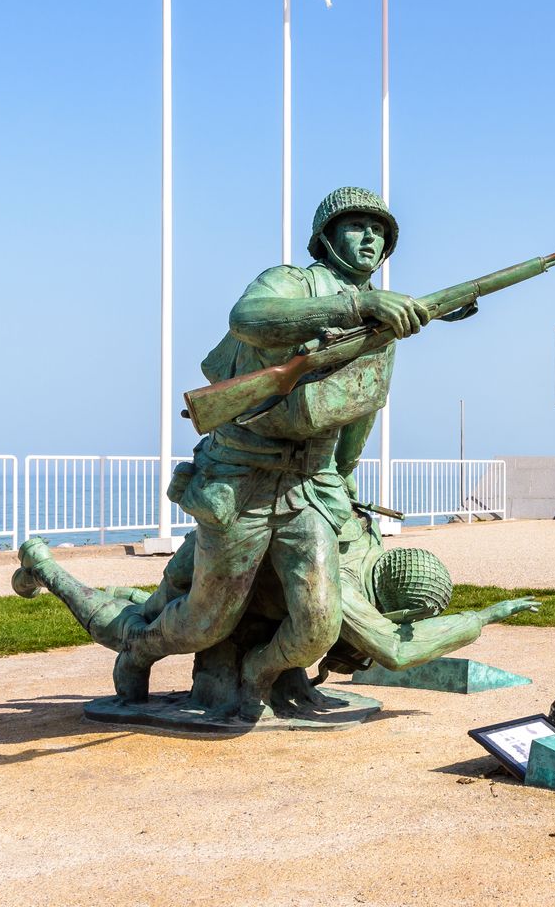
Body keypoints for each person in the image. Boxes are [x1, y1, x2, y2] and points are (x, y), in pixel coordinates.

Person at [28, 187, 442, 720]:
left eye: (380, 231)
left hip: (308, 489)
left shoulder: (386, 320)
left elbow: (363, 405)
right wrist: (358, 304)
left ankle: (260, 680)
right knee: (207, 622)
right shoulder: (293, 281)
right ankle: (139, 650)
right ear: (326, 236)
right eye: (356, 226)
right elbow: (248, 317)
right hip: (241, 481)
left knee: (319, 623)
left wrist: (344, 478)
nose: (370, 239)